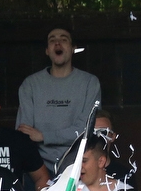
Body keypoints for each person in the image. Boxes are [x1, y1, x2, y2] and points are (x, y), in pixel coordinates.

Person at [16, 27, 102, 170]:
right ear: (47, 50)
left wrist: (44, 136)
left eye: (64, 39)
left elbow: (86, 129)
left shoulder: (90, 83)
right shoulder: (30, 84)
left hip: (79, 166)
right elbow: (24, 133)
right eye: (52, 40)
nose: (57, 43)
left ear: (73, 48)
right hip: (38, 168)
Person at [94, 109, 137, 188]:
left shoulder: (125, 175)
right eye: (92, 132)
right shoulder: (76, 172)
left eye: (103, 132)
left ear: (113, 136)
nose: (98, 136)